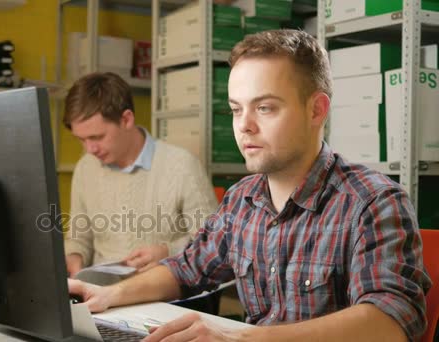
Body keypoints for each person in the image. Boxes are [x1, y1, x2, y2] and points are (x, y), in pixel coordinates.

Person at [68, 29, 432, 341]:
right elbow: (188, 267)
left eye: (265, 108)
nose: (244, 126)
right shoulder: (242, 199)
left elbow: (391, 322)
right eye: (236, 109)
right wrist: (107, 296)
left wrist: (245, 337)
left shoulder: (373, 201)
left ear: (316, 110)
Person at [63, 72, 218, 280]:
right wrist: (74, 256)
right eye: (81, 139)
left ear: (126, 119)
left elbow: (214, 242)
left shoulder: (181, 165)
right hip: (102, 295)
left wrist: (168, 252)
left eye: (97, 137)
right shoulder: (86, 168)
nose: (90, 148)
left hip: (163, 296)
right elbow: (79, 236)